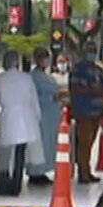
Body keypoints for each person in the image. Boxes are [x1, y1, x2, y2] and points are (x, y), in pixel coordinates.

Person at [0, 50, 42, 197]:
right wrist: (36, 120)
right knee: (19, 155)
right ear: (17, 64)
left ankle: (4, 185)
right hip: (26, 120)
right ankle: (16, 186)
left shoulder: (0, 79)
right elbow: (34, 102)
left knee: (4, 156)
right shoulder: (27, 78)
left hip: (8, 120)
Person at [67, 45, 103, 183]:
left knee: (90, 142)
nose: (92, 54)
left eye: (94, 52)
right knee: (84, 142)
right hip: (83, 111)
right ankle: (83, 172)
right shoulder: (77, 70)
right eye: (90, 51)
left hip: (96, 111)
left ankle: (87, 170)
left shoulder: (98, 70)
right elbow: (76, 89)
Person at [26, 48, 63, 185]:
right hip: (39, 115)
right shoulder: (32, 77)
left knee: (47, 144)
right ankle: (35, 172)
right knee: (38, 145)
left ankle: (42, 171)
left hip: (50, 117)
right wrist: (51, 98)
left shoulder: (48, 76)